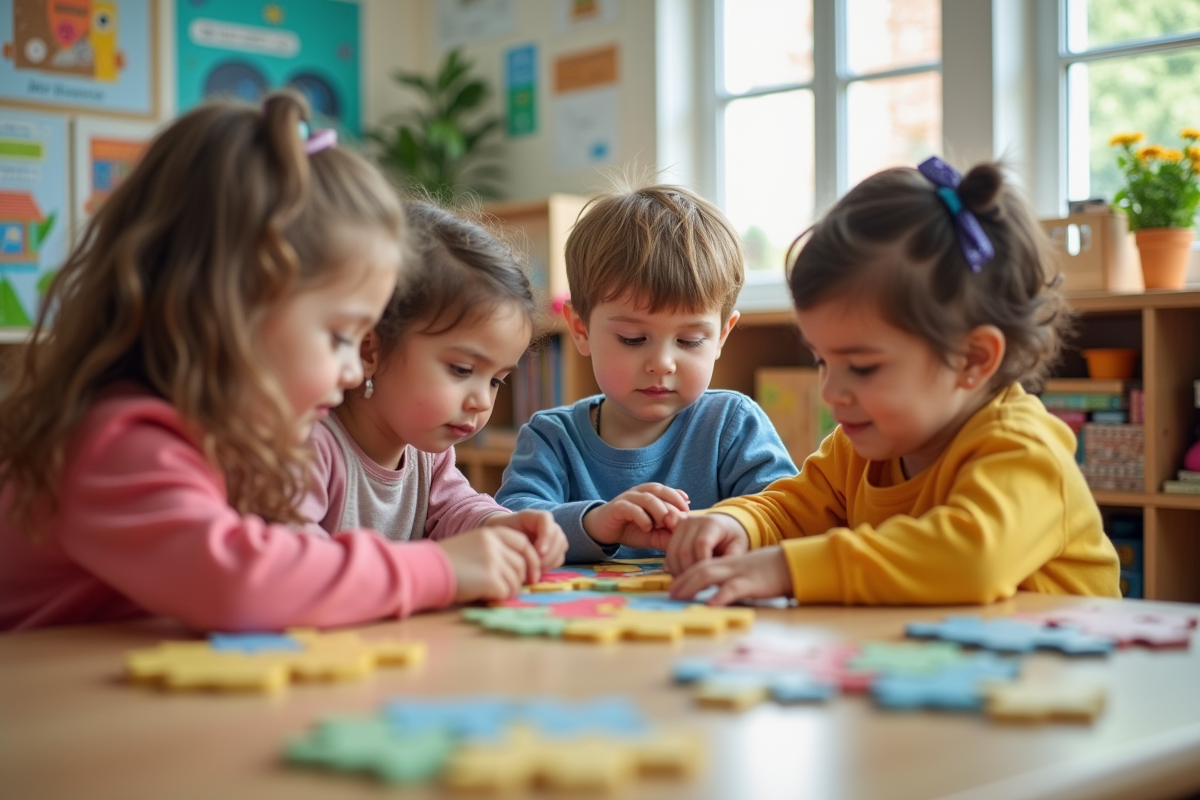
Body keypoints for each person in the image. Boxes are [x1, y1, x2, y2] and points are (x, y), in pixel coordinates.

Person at [0, 93, 545, 632]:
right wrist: (443, 569)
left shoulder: (221, 437)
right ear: (230, 306)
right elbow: (242, 583)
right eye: (339, 335)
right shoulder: (117, 444)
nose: (356, 370)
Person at [666, 158, 1121, 606]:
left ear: (973, 359)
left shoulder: (1024, 449)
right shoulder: (858, 448)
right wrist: (736, 524)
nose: (829, 392)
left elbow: (967, 559)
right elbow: (790, 508)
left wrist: (786, 568)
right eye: (823, 361)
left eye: (861, 367)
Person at [496, 183, 796, 562]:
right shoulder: (552, 438)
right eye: (633, 338)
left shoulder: (732, 425)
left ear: (722, 336)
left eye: (689, 341)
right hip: (582, 620)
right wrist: (595, 521)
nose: (662, 363)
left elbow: (788, 515)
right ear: (580, 330)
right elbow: (511, 526)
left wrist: (731, 526)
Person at [301, 200, 567, 572]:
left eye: (495, 381)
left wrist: (500, 525)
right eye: (461, 369)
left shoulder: (428, 453)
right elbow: (296, 562)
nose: (480, 401)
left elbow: (456, 509)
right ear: (369, 351)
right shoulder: (309, 446)